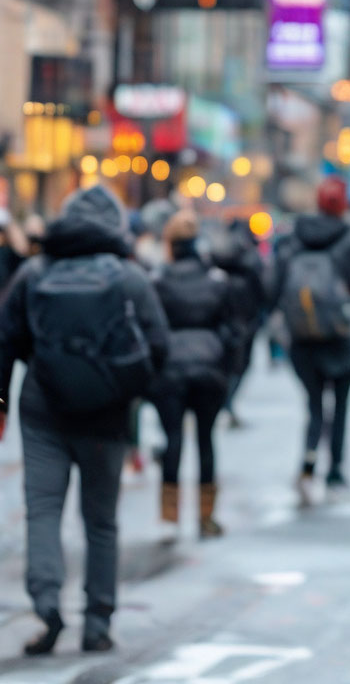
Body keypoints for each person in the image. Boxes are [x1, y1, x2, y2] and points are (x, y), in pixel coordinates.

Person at [0, 185, 169, 654]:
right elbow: (159, 345)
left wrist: (2, 402)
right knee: (100, 520)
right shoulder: (130, 277)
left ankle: (46, 603)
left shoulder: (34, 272)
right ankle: (97, 622)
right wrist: (129, 389)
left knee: (43, 509)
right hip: (106, 414)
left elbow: (6, 340)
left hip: (42, 408)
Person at [273, 176, 350, 505]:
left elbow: (272, 286)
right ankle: (334, 474)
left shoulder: (293, 237)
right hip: (341, 335)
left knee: (314, 406)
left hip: (302, 338)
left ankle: (307, 466)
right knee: (342, 406)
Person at [151, 209, 241, 539]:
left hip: (170, 370)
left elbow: (151, 331)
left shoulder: (157, 281)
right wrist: (225, 366)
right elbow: (233, 330)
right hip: (209, 368)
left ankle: (169, 516)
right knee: (206, 439)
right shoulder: (217, 281)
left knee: (173, 439)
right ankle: (206, 516)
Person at [209, 217, 268, 427]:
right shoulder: (251, 257)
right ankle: (227, 404)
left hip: (222, 321)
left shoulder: (217, 255)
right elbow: (263, 290)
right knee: (240, 366)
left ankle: (224, 404)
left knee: (224, 365)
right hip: (246, 321)